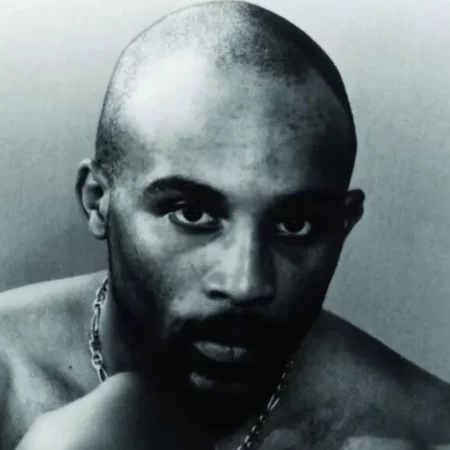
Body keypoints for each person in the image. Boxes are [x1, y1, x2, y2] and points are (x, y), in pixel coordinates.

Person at [1, 2, 449, 449]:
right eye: (192, 214)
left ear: (343, 226)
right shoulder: (11, 380)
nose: (246, 284)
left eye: (295, 224)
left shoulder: (420, 430)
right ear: (98, 201)